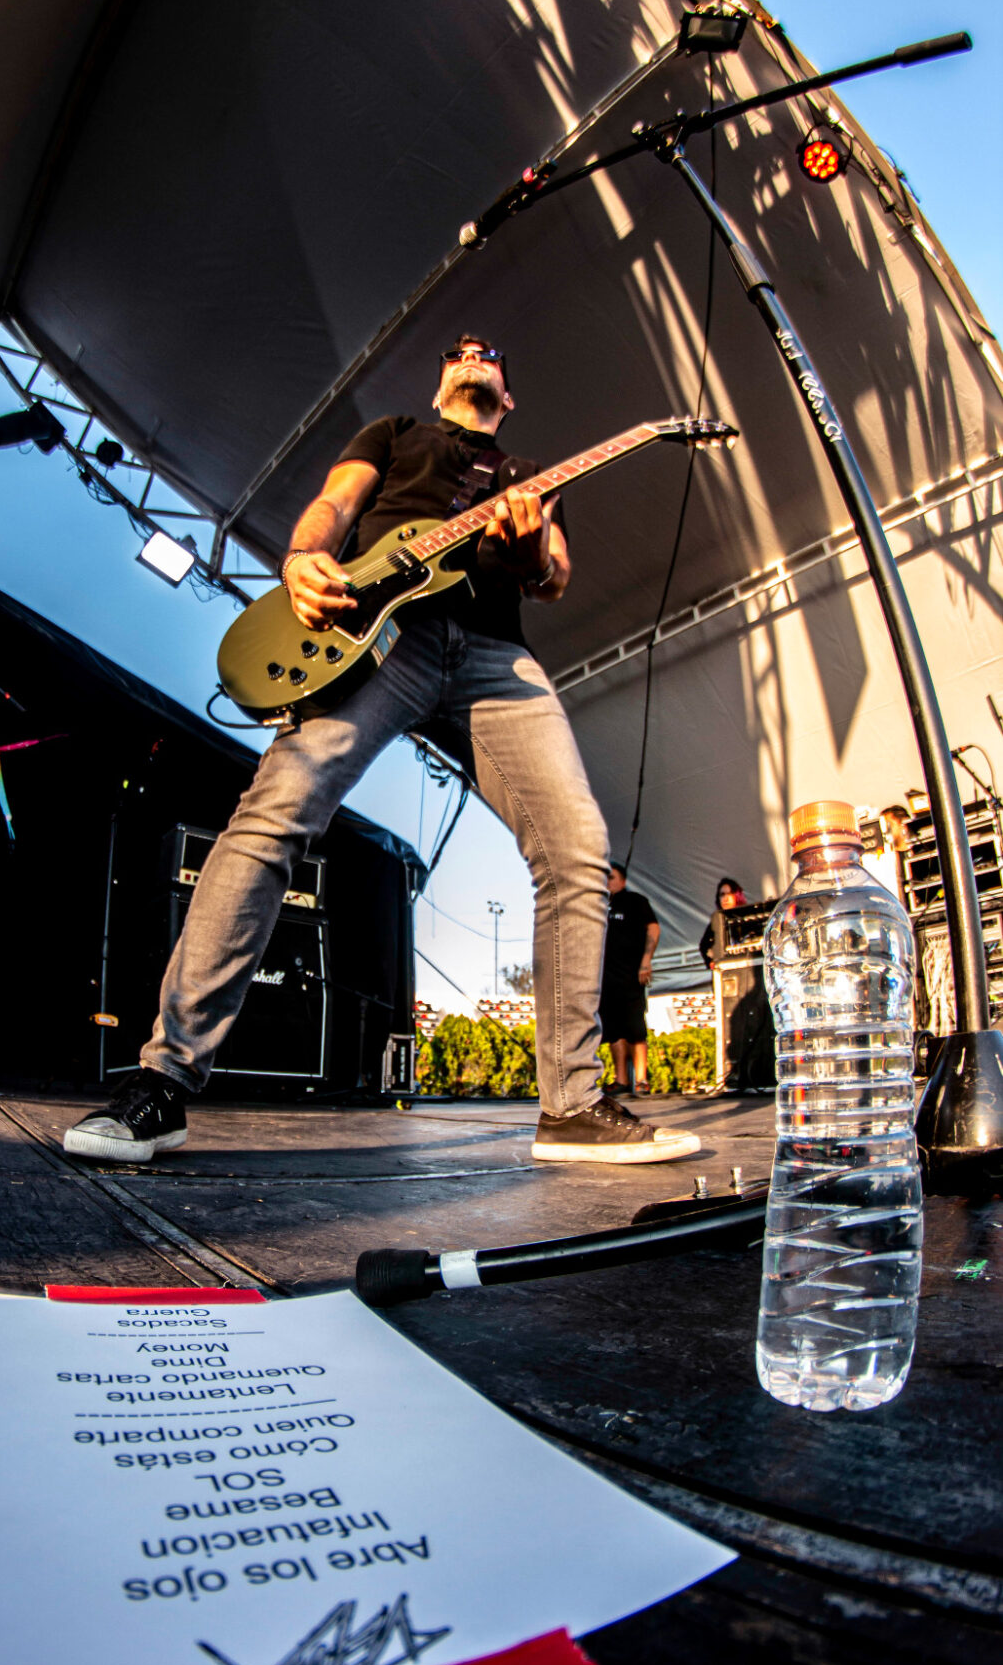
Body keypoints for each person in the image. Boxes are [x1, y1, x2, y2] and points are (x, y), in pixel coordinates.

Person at [65, 334, 699, 1166]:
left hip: (493, 652)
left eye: (489, 353)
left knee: (579, 848)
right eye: (457, 351)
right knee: (274, 816)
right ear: (440, 385)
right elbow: (335, 504)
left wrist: (530, 555)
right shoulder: (397, 433)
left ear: (507, 394)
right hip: (378, 634)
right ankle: (164, 1081)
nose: (471, 353)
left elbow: (555, 576)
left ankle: (574, 1106)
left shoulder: (526, 472)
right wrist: (302, 559)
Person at [599, 862, 659, 1096]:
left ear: (623, 880)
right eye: (605, 878)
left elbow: (653, 929)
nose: (608, 882)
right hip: (606, 978)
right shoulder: (599, 905)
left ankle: (642, 1080)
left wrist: (646, 960)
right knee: (613, 1030)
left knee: (635, 1027)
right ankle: (621, 1079)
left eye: (612, 877)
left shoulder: (636, 901)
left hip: (632, 974)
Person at [699, 876, 747, 969]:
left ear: (736, 895)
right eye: (722, 894)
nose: (725, 898)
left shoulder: (745, 916)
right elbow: (703, 945)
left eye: (729, 894)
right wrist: (710, 962)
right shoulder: (716, 921)